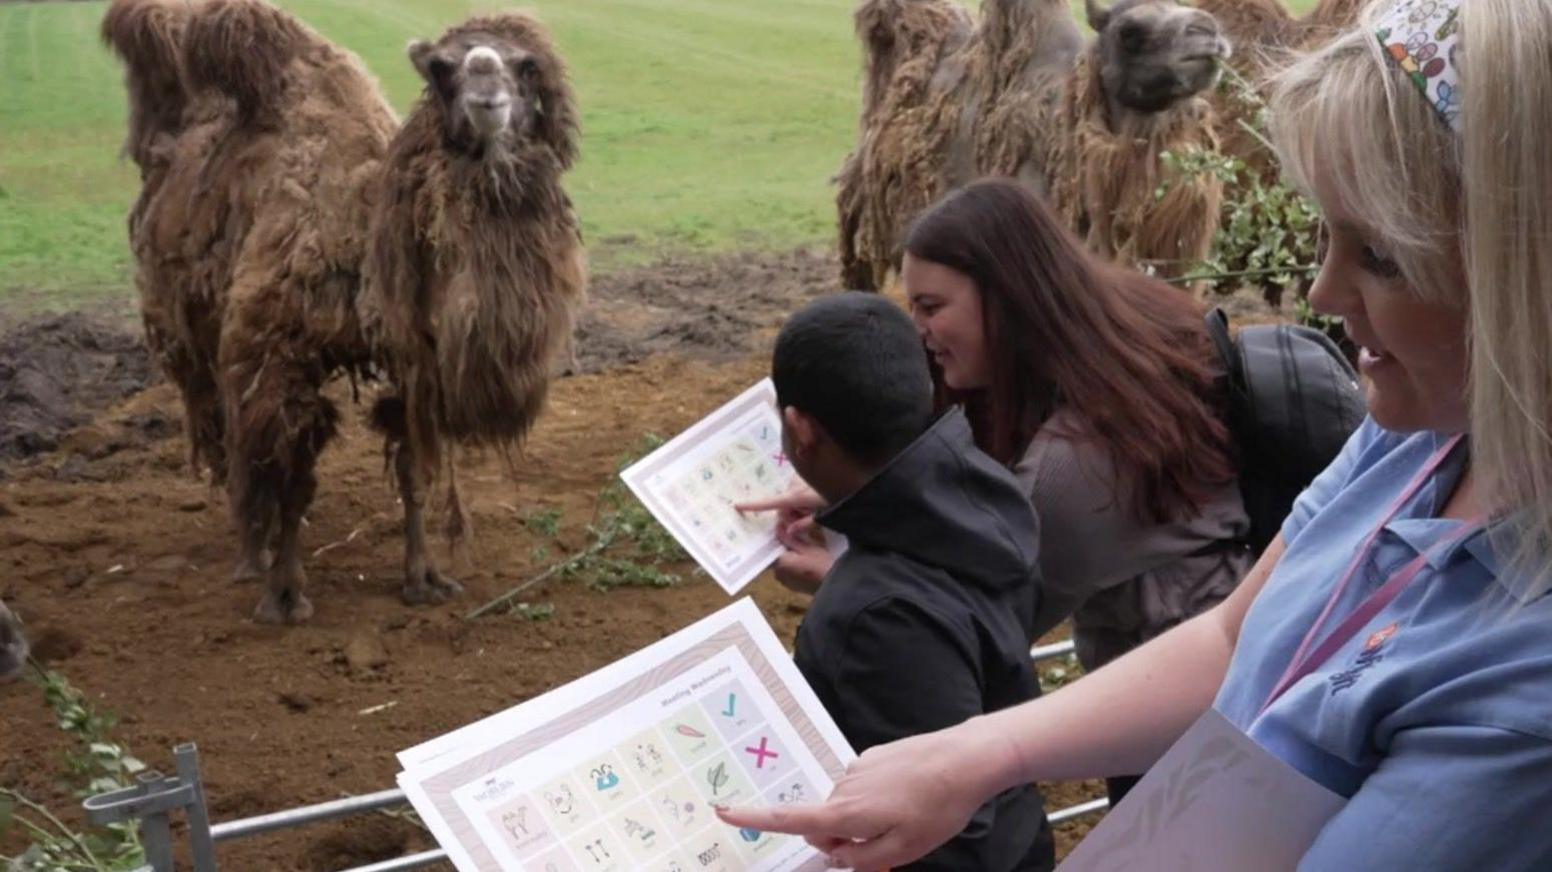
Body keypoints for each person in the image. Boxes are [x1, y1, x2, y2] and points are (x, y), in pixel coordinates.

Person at [719, 1, 1552, 868]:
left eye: (1381, 256)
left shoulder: (1526, 699)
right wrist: (973, 756)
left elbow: (1005, 587)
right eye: (1326, 236)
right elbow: (1235, 637)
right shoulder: (1428, 433)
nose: (1320, 293)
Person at [750, 176, 1252, 801]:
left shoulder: (1077, 463)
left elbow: (982, 614)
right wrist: (849, 506)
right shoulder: (1118, 339)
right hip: (1203, 675)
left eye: (932, 308)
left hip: (1195, 728)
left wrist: (845, 567)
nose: (919, 332)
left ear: (1009, 299)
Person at [767, 292, 1054, 870]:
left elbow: (949, 840)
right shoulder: (982, 499)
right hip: (1021, 839)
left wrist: (854, 591)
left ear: (800, 431)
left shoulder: (875, 614)